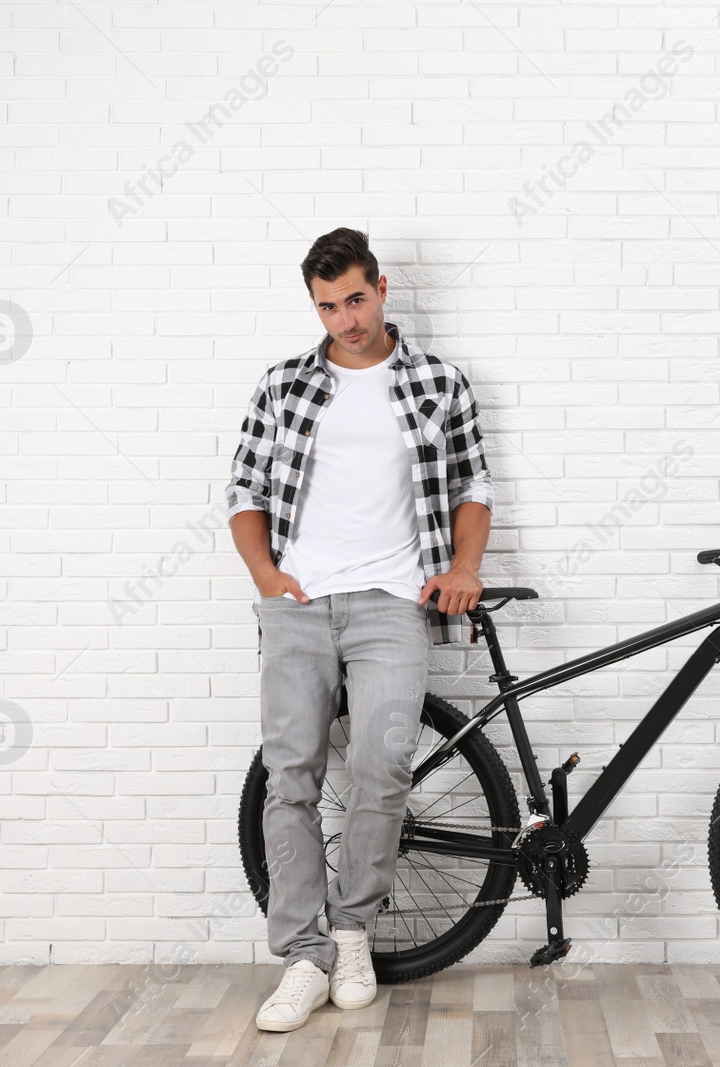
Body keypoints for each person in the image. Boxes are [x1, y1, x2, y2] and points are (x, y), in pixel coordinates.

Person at [224, 228, 493, 1031]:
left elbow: (472, 484)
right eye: (326, 306)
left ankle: (350, 933)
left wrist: (465, 567)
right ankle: (302, 955)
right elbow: (243, 492)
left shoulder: (437, 381)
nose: (343, 319)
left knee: (383, 768)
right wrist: (269, 579)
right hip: (300, 604)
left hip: (392, 604)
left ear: (381, 288)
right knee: (292, 778)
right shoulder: (284, 385)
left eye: (354, 299)